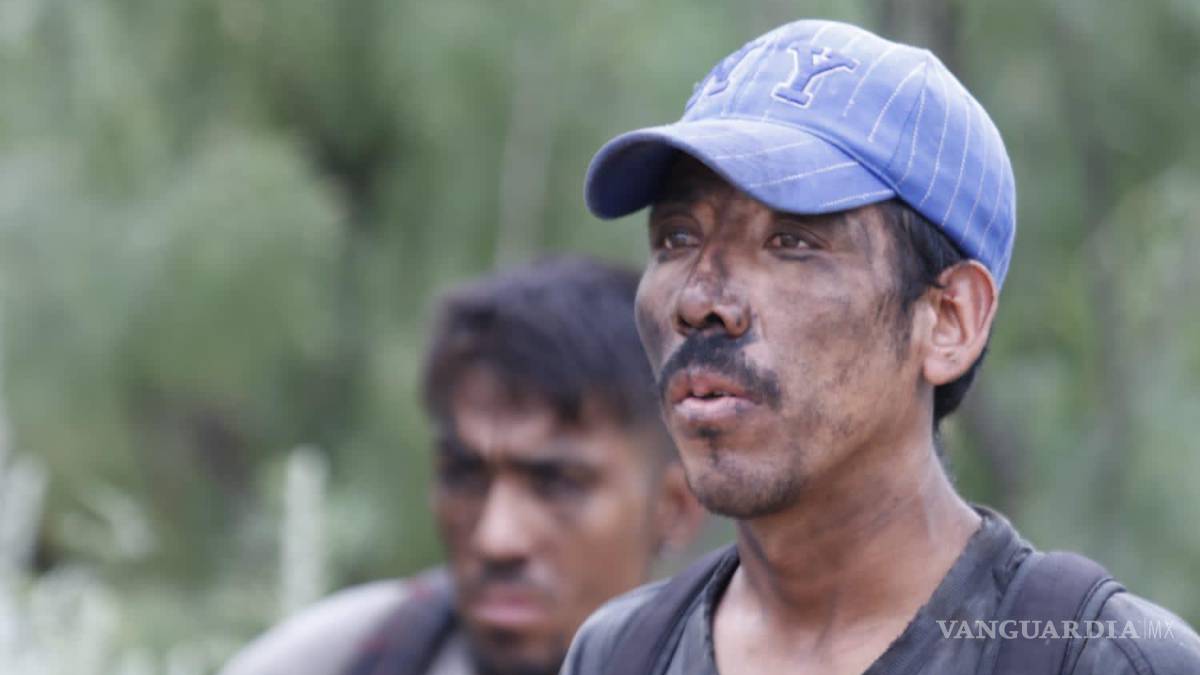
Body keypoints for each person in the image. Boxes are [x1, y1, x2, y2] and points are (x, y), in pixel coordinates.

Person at [562, 18, 1200, 675]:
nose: (699, 300)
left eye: (791, 242)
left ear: (949, 319)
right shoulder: (621, 652)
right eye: (676, 237)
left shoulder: (1105, 661)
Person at [221, 257, 705, 675]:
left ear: (675, 508)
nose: (496, 539)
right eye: (464, 476)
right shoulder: (341, 658)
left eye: (556, 483)